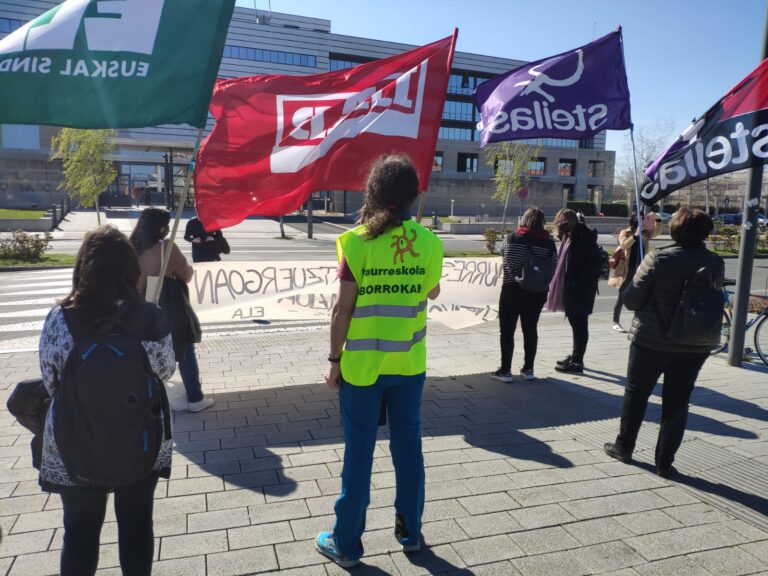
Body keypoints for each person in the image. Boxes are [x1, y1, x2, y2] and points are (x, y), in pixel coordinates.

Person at [315, 155, 443, 568]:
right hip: (408, 366)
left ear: (374, 192)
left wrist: (334, 360)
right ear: (413, 195)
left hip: (362, 370)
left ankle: (346, 544)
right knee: (409, 451)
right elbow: (434, 292)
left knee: (359, 455)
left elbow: (342, 311)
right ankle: (410, 533)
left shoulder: (356, 242)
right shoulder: (430, 243)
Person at [38, 226, 176, 576]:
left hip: (74, 441)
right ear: (131, 269)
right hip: (140, 438)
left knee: (79, 534)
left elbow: (52, 380)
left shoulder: (60, 318)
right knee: (136, 525)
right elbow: (166, 370)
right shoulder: (149, 316)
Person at [604, 208, 724, 477]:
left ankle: (624, 447)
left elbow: (632, 300)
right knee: (678, 401)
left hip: (651, 339)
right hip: (695, 342)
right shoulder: (715, 262)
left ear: (675, 229)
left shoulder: (658, 258)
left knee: (637, 393)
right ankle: (664, 462)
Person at [129, 208, 214, 412]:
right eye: (166, 225)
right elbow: (185, 274)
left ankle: (146, 396)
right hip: (169, 307)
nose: (168, 229)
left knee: (144, 353)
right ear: (160, 228)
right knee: (184, 350)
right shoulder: (166, 248)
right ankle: (194, 398)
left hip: (139, 308)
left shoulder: (131, 249)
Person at [491, 207, 556, 382]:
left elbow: (502, 254)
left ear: (524, 220)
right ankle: (528, 369)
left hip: (512, 290)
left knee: (507, 331)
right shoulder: (549, 244)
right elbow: (552, 268)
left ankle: (505, 371)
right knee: (530, 329)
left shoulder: (512, 239)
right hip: (537, 293)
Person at [546, 208, 602, 374]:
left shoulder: (582, 239)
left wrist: (577, 282)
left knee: (579, 325)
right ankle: (576, 355)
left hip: (580, 290)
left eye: (560, 223)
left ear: (567, 223)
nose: (558, 226)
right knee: (576, 324)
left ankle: (577, 362)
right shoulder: (572, 237)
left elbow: (592, 266)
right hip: (574, 289)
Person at [609, 212, 657, 333]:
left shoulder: (646, 232)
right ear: (633, 221)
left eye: (642, 219)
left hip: (641, 268)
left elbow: (657, 231)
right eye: (638, 220)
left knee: (642, 296)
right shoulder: (626, 232)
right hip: (628, 269)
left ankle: (639, 323)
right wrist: (635, 235)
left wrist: (658, 219)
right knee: (622, 296)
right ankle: (615, 322)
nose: (640, 222)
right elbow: (624, 245)